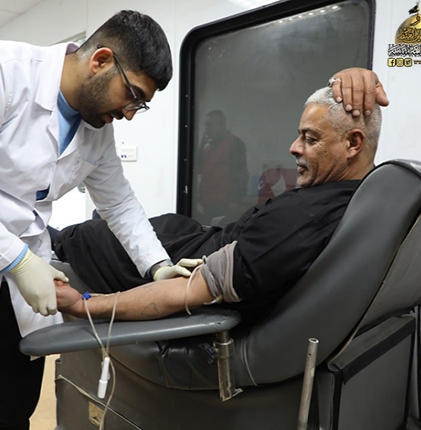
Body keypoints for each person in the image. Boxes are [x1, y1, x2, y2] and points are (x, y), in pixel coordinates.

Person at [0, 10, 199, 430]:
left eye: (141, 105)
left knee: (10, 415)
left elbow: (119, 203)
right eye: (132, 95)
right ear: (100, 60)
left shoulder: (96, 128)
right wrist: (19, 261)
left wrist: (157, 266)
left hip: (19, 293)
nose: (130, 113)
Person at [54, 80, 384, 324]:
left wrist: (83, 304)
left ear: (353, 144)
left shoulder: (299, 222)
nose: (294, 147)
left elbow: (183, 291)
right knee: (165, 223)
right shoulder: (358, 195)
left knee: (89, 235)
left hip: (188, 258)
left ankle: (55, 242)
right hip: (199, 234)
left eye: (310, 138)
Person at [195, 110, 249, 225]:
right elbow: (198, 169)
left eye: (210, 125)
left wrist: (236, 200)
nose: (207, 129)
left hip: (225, 204)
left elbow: (241, 174)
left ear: (222, 125)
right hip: (209, 203)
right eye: (206, 125)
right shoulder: (209, 147)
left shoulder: (234, 144)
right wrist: (201, 144)